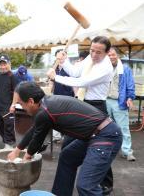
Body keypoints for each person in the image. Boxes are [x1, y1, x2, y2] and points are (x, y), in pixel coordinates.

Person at [8, 81, 122, 196]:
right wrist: (17, 151)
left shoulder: (45, 111)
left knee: (86, 186)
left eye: (21, 104)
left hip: (106, 136)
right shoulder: (46, 104)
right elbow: (34, 130)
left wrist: (26, 158)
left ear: (31, 101)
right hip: (94, 135)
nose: (22, 107)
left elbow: (37, 140)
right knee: (67, 157)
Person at [47, 36, 115, 194]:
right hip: (82, 106)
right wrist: (64, 62)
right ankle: (61, 192)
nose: (94, 54)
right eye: (92, 50)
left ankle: (106, 185)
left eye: (98, 52)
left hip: (96, 109)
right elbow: (75, 72)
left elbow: (82, 82)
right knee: (67, 151)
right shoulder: (89, 60)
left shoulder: (105, 67)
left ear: (106, 53)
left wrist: (56, 77)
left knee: (98, 150)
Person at [107, 47, 136, 161]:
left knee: (123, 128)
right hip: (105, 100)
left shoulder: (125, 68)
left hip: (119, 101)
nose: (111, 57)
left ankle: (127, 151)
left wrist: (129, 97)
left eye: (113, 54)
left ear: (117, 55)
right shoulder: (104, 68)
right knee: (107, 128)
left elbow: (130, 85)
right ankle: (108, 149)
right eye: (108, 55)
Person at [0, 54, 18, 149]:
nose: (2, 66)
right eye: (0, 64)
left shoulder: (12, 76)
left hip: (8, 106)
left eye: (4, 64)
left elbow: (16, 92)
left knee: (9, 126)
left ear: (9, 64)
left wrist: (13, 105)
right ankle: (6, 141)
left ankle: (9, 143)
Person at [52, 49, 75, 142]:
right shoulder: (54, 68)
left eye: (62, 56)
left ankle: (67, 136)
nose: (60, 58)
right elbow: (51, 82)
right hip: (56, 95)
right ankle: (56, 136)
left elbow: (75, 83)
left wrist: (76, 96)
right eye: (58, 57)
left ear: (65, 56)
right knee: (55, 116)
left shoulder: (71, 68)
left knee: (67, 118)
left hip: (68, 96)